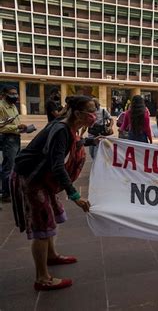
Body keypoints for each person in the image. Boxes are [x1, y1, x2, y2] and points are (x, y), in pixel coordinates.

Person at [10, 95, 99, 290]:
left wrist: (93, 142)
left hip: (42, 179)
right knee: (42, 226)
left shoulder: (68, 127)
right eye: (91, 111)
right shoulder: (61, 130)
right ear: (77, 113)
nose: (94, 115)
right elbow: (57, 165)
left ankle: (50, 256)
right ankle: (42, 278)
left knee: (48, 219)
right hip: (32, 179)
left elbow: (74, 144)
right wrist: (75, 196)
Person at [0, 85, 27, 202]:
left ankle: (10, 189)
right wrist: (16, 127)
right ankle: (6, 194)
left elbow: (14, 121)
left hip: (16, 137)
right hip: (8, 139)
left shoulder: (13, 106)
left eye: (16, 94)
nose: (15, 96)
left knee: (14, 164)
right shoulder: (1, 107)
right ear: (4, 94)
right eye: (12, 94)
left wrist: (21, 128)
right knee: (9, 166)